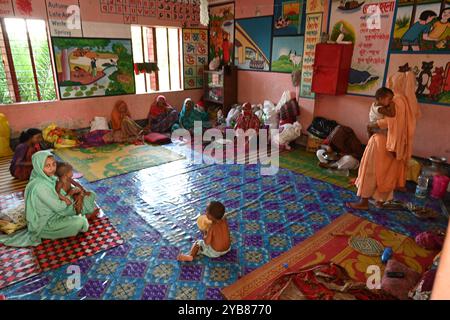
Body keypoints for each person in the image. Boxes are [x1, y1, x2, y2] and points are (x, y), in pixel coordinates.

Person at [346, 73, 419, 210]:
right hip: (392, 142)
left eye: (392, 81)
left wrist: (372, 125)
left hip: (381, 140)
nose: (389, 83)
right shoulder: (404, 100)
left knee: (370, 170)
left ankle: (364, 201)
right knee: (386, 172)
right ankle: (380, 200)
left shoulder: (397, 100)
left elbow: (389, 122)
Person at [0, 151, 99, 247]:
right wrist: (71, 194)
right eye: (47, 166)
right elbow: (59, 206)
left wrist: (76, 194)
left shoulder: (48, 177)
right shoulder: (39, 186)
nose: (52, 168)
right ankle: (81, 219)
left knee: (88, 197)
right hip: (45, 223)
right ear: (39, 166)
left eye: (53, 164)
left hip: (54, 212)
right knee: (79, 222)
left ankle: (82, 215)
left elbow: (61, 192)